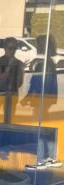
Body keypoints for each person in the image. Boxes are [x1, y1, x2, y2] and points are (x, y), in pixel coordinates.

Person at [21, 34, 61, 169]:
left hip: (40, 101)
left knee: (38, 129)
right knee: (47, 129)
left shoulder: (42, 65)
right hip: (47, 100)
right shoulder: (50, 63)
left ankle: (41, 159)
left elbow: (37, 84)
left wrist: (27, 98)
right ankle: (51, 157)